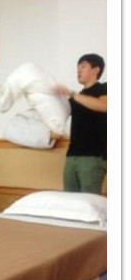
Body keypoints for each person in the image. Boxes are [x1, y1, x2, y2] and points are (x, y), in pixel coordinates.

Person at [56, 54, 107, 194]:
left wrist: (72, 94)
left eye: (83, 66)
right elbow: (58, 117)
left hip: (93, 157)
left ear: (96, 70)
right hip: (72, 155)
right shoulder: (76, 97)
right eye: (78, 67)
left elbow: (104, 106)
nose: (78, 70)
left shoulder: (104, 88)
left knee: (88, 202)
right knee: (70, 201)